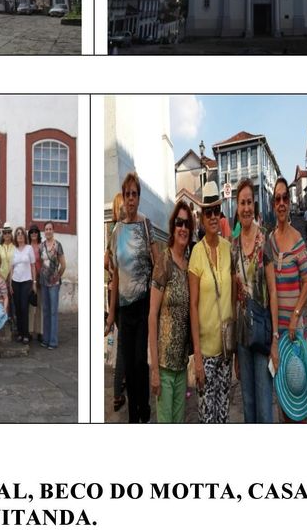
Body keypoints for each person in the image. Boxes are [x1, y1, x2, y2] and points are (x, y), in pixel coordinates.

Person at [106, 172, 158, 422]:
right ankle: (133, 416)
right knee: (127, 363)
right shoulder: (116, 231)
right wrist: (112, 312)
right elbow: (115, 275)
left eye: (134, 194)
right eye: (127, 194)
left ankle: (142, 410)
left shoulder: (146, 226)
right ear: (123, 197)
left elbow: (157, 266)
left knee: (139, 362)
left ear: (139, 197)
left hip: (144, 304)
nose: (130, 199)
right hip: (125, 309)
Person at [189, 181, 235, 424]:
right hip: (205, 353)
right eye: (208, 212)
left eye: (217, 211)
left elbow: (235, 298)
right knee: (207, 417)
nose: (213, 217)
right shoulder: (196, 253)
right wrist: (197, 356)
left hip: (226, 350)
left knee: (223, 414)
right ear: (202, 217)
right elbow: (193, 307)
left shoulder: (229, 249)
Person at [267, 175, 307, 424]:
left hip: (294, 331)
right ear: (273, 204)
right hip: (277, 333)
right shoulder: (270, 241)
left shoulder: (297, 240)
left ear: (289, 202)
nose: (282, 203)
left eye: (285, 197)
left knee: (298, 393)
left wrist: (295, 317)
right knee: (282, 400)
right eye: (277, 199)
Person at [232, 176, 275, 423]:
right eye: (242, 203)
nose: (246, 207)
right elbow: (233, 299)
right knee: (248, 405)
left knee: (264, 408)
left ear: (254, 205)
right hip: (242, 339)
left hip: (263, 335)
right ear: (237, 208)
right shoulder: (234, 246)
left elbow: (273, 291)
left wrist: (276, 340)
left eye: (249, 202)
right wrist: (236, 352)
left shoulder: (265, 241)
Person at [148, 200, 194, 424]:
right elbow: (152, 316)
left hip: (181, 366)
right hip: (164, 368)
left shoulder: (188, 266)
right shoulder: (163, 261)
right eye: (179, 223)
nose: (183, 228)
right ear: (173, 227)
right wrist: (155, 369)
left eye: (187, 224)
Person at [39, 221, 65, 350]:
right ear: (44, 231)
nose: (48, 231)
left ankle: (53, 341)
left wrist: (57, 276)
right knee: (46, 311)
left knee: (53, 312)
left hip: (54, 284)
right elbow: (41, 263)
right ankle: (46, 339)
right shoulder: (41, 246)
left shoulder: (58, 245)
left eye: (50, 229)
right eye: (46, 229)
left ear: (53, 230)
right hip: (43, 282)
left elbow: (63, 264)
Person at [10, 227, 37, 345]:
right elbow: (11, 268)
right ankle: (20, 333)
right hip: (15, 281)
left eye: (21, 234)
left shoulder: (29, 248)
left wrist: (34, 283)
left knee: (24, 308)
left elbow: (33, 266)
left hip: (26, 281)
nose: (20, 236)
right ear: (15, 237)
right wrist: (10, 283)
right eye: (18, 234)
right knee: (18, 308)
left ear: (24, 236)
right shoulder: (14, 250)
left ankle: (26, 334)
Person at [27, 224, 43, 344]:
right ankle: (30, 330)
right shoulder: (27, 247)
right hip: (29, 278)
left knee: (39, 305)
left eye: (35, 232)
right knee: (31, 305)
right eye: (31, 232)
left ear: (38, 234)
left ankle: (40, 331)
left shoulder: (41, 247)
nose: (33, 234)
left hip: (40, 277)